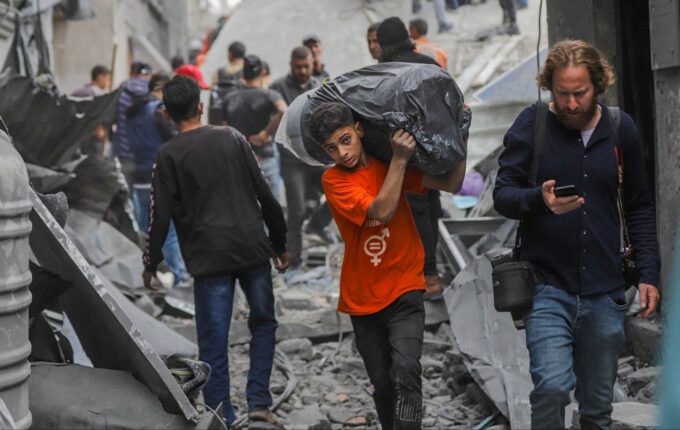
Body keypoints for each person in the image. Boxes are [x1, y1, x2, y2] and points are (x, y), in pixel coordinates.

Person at [493, 40, 660, 429]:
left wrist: (649, 272)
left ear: (598, 85)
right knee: (552, 387)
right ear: (549, 87)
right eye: (562, 93)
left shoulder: (620, 128)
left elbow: (638, 204)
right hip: (546, 286)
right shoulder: (532, 123)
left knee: (598, 406)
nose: (570, 104)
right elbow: (503, 195)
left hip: (605, 289)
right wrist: (539, 200)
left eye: (579, 93)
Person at [143, 75, 290, 428]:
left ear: (166, 113)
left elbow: (159, 216)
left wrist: (152, 263)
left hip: (208, 258)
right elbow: (265, 193)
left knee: (213, 340)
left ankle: (221, 415)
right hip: (252, 248)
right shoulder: (232, 137)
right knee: (264, 323)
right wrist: (279, 242)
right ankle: (259, 403)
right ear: (200, 105)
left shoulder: (168, 155)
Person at [310, 102, 466, 429]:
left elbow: (451, 183)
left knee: (406, 370)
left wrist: (460, 132)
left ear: (359, 129)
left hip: (405, 285)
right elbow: (382, 211)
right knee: (382, 382)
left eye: (345, 140)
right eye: (331, 148)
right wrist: (399, 159)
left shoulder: (389, 165)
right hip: (363, 299)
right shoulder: (334, 180)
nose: (342, 153)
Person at [378, 17, 447, 297]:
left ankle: (427, 275)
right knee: (431, 208)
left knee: (416, 214)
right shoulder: (430, 65)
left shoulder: (386, 72)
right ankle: (431, 272)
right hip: (436, 152)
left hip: (406, 154)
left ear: (384, 46)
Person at [271, 46, 333, 269]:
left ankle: (316, 225)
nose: (303, 71)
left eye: (306, 66)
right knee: (295, 212)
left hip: (316, 158)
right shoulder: (277, 88)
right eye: (298, 67)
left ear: (312, 65)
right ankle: (293, 261)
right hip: (292, 162)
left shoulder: (319, 87)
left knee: (340, 192)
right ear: (291, 65)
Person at [126, 72, 190, 287]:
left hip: (139, 178)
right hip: (160, 176)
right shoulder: (158, 111)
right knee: (169, 230)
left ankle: (153, 273)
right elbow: (175, 141)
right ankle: (177, 277)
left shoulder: (133, 111)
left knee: (147, 230)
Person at [223, 54, 287, 200]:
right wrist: (265, 133)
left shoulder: (229, 98)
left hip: (239, 162)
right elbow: (284, 110)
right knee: (272, 207)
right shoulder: (270, 95)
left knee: (243, 207)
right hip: (264, 158)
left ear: (243, 73)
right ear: (262, 73)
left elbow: (223, 128)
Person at [112, 61, 153, 189]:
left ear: (131, 73)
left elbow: (110, 120)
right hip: (148, 153)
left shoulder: (120, 92)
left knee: (125, 190)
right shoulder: (154, 93)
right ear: (148, 75)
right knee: (147, 192)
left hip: (124, 149)